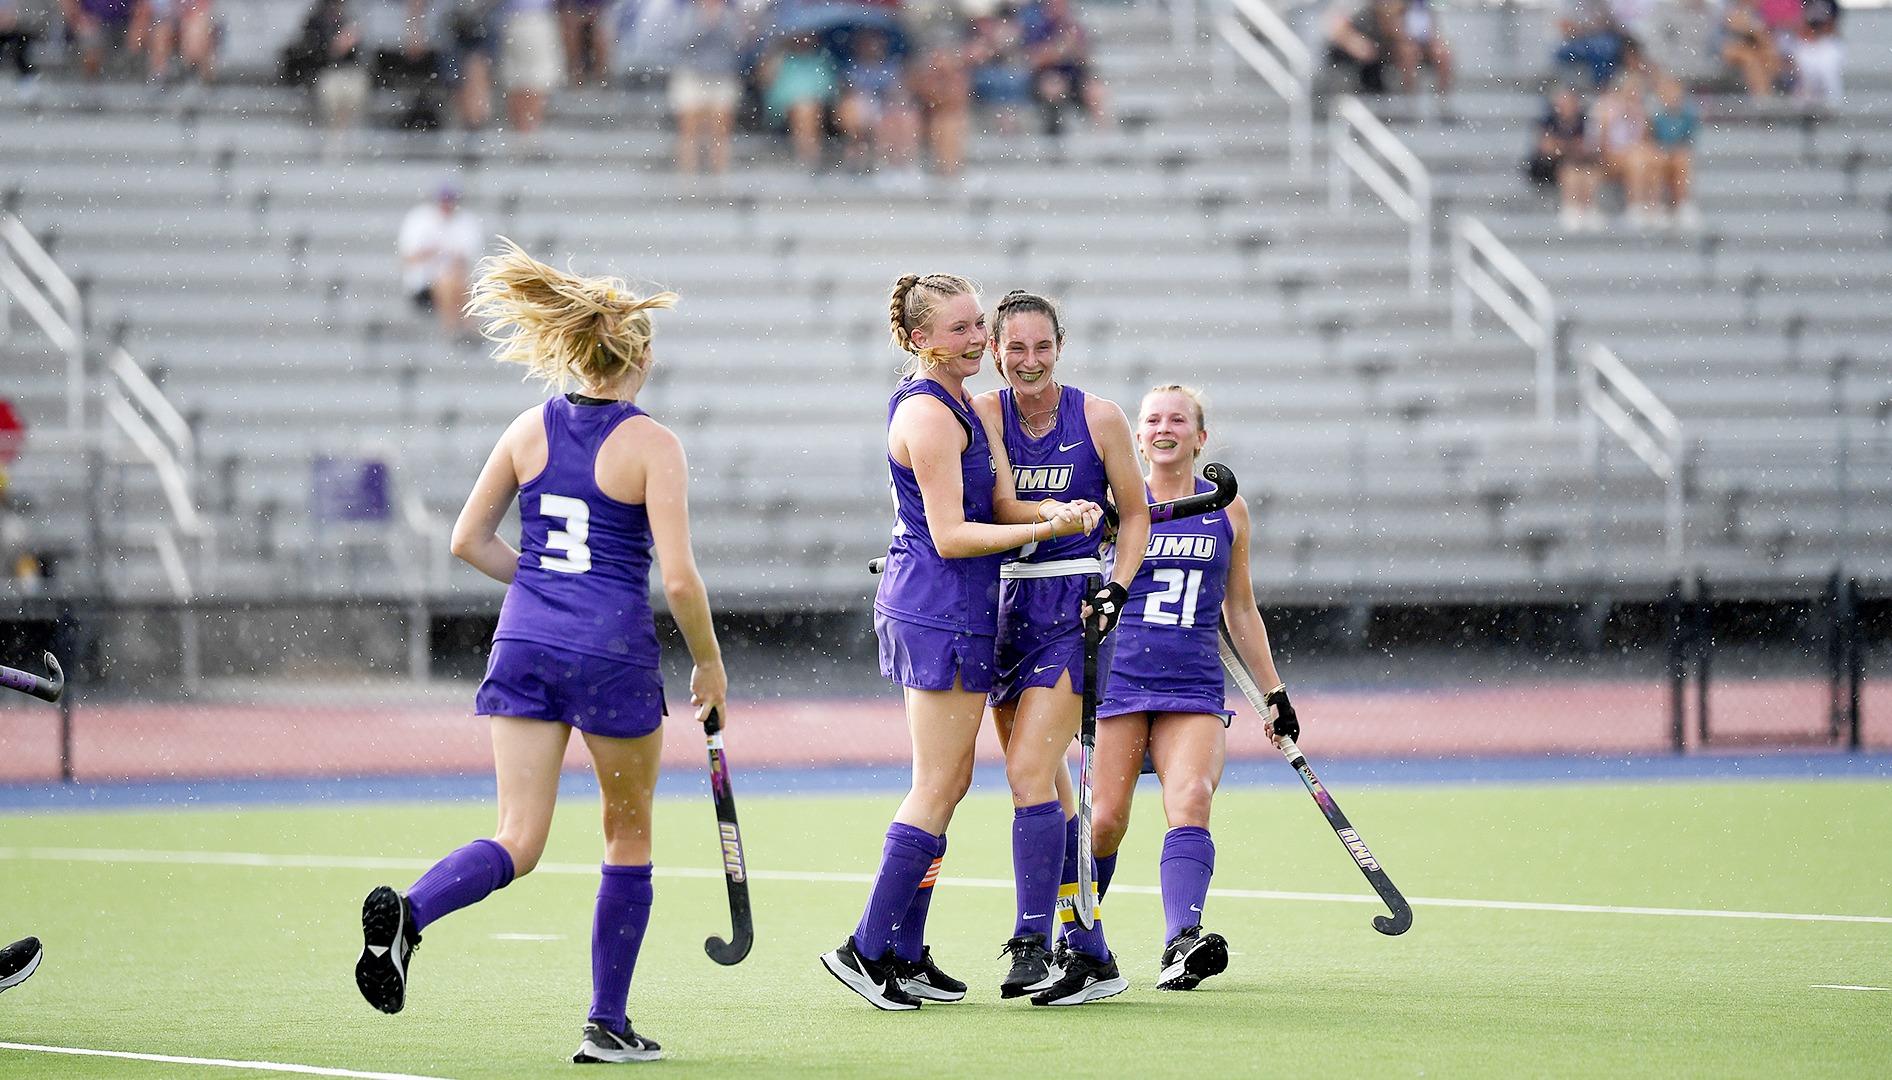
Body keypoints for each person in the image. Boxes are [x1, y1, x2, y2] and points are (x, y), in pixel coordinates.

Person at [354, 240, 726, 1065]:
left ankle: (412, 913)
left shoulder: (529, 428)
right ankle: (606, 1023)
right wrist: (708, 663)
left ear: (576, 352)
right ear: (640, 358)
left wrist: (543, 582)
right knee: (627, 836)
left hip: (524, 640)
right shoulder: (654, 445)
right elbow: (680, 580)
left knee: (518, 838)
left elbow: (467, 540)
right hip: (611, 651)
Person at [820, 274, 1101, 1011]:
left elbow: (1000, 501)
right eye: (960, 329)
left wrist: (1059, 508)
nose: (978, 339)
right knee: (937, 785)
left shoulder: (959, 403)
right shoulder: (930, 413)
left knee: (948, 783)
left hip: (960, 609)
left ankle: (905, 954)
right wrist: (1049, 530)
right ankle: (866, 947)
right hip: (938, 608)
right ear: (920, 340)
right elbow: (950, 535)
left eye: (979, 324)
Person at [1090, 384, 1298, 993]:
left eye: (1178, 419)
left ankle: (1182, 941)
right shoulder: (1114, 506)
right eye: (1153, 419)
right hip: (1119, 683)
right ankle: (1078, 940)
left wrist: (1274, 693)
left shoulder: (1228, 511)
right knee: (1104, 822)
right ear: (1137, 437)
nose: (1164, 428)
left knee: (1191, 798)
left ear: (1200, 437)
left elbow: (1241, 608)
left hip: (1193, 685)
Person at [972, 290, 1148, 1005]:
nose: (1030, 361)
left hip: (1071, 610)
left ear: (1060, 346)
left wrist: (1118, 588)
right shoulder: (983, 414)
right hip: (1001, 610)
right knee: (1047, 786)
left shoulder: (1099, 417)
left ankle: (1031, 940)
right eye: (1015, 347)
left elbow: (1134, 516)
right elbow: (994, 507)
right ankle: (1092, 953)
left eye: (1042, 346)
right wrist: (1052, 512)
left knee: (1026, 774)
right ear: (995, 350)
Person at [398, 182, 486, 340]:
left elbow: (466, 260)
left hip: (456, 283)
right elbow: (409, 258)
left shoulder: (466, 222)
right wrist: (434, 253)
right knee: (448, 282)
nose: (446, 205)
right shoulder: (419, 220)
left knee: (451, 281)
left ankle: (458, 328)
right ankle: (463, 327)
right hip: (424, 285)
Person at [667, 0, 743, 175]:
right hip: (692, 75)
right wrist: (703, 24)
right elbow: (678, 40)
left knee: (720, 132)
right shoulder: (687, 14)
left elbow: (738, 42)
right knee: (689, 130)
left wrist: (718, 22)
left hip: (722, 75)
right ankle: (687, 176)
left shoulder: (729, 15)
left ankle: (719, 175)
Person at [836, 27, 922, 181]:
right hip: (865, 106)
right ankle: (876, 163)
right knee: (863, 114)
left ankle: (905, 163)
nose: (870, 46)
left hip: (889, 106)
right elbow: (848, 92)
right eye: (865, 42)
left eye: (874, 41)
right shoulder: (852, 68)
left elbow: (900, 90)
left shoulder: (892, 66)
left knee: (902, 117)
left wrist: (892, 97)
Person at [1019, 0, 1106, 134]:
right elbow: (1034, 60)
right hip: (1047, 77)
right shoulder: (1039, 29)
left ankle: (1102, 134)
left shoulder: (1075, 28)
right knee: (1054, 86)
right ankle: (1055, 130)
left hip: (1074, 78)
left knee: (1096, 90)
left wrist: (1076, 49)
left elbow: (1085, 59)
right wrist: (1060, 48)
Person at [760, 32, 837, 171]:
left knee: (807, 109)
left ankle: (808, 159)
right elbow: (762, 80)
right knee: (804, 110)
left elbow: (830, 89)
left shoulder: (822, 58)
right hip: (783, 109)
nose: (804, 39)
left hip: (817, 109)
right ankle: (809, 159)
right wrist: (776, 51)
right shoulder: (782, 57)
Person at [1594, 69, 1660, 229]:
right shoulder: (1607, 107)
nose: (1634, 93)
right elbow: (1601, 143)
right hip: (1610, 157)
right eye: (1631, 89)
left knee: (1653, 158)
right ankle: (1635, 205)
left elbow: (1646, 140)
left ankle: (1652, 205)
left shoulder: (1640, 109)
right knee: (1637, 159)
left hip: (1634, 156)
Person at [1538, 84, 1603, 232]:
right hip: (1551, 166)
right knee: (1570, 171)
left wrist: (1564, 147)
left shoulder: (1583, 120)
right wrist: (1570, 147)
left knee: (1587, 172)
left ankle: (1589, 207)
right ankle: (1571, 207)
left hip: (1578, 162)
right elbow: (1547, 149)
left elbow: (1588, 146)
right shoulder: (1549, 121)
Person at [1647, 74, 1700, 229]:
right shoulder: (1654, 113)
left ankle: (1683, 204)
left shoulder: (1688, 113)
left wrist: (1673, 151)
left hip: (1676, 153)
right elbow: (1650, 138)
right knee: (1656, 160)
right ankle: (1656, 205)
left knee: (1682, 160)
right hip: (1658, 152)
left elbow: (1688, 140)